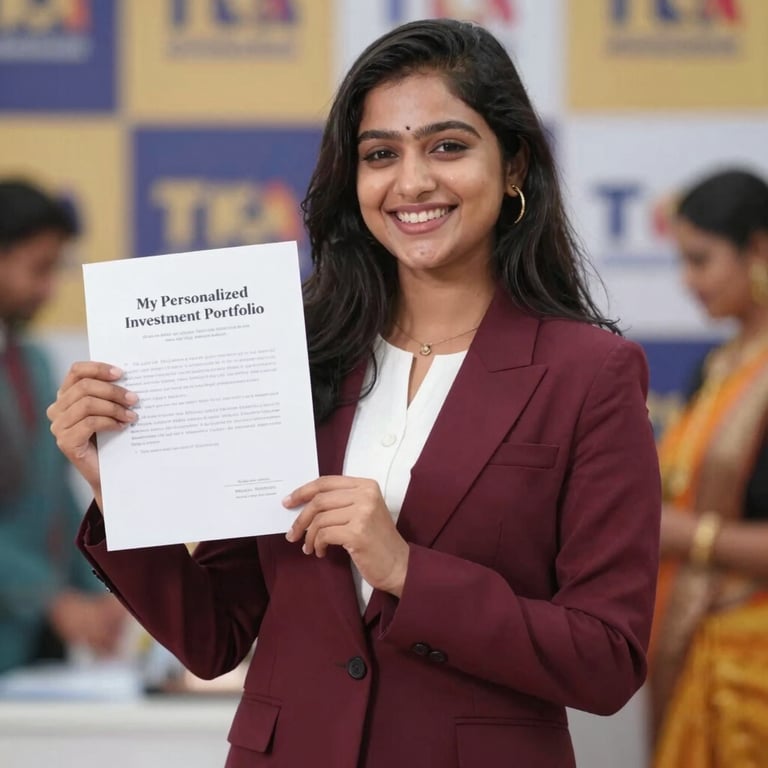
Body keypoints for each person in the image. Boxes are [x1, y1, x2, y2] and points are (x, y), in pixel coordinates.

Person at [47, 19, 661, 768]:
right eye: (381, 155)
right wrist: (118, 485)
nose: (412, 183)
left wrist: (405, 569)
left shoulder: (590, 373)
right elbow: (214, 639)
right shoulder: (298, 355)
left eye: (448, 146)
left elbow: (606, 659)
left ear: (513, 166)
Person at [650, 168, 768, 767]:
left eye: (701, 260)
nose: (688, 281)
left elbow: (685, 522)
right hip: (694, 647)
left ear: (759, 249)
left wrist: (688, 534)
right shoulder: (716, 368)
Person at [0, 179, 126, 673]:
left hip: (40, 649)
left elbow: (57, 500)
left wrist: (105, 589)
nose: (48, 289)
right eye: (39, 269)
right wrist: (51, 598)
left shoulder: (32, 364)